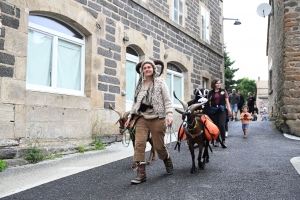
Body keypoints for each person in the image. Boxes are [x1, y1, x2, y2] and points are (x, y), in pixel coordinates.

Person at [124, 60, 173, 184]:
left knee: (158, 146)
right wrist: (130, 118)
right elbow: (135, 103)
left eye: (149, 67)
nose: (147, 69)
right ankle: (141, 173)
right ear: (142, 71)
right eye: (144, 68)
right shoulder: (139, 85)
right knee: (139, 144)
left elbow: (167, 100)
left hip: (157, 117)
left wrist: (169, 115)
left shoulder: (160, 83)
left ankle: (166, 158)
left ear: (153, 69)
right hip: (141, 117)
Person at [208, 79, 232, 148]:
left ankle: (223, 141)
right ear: (214, 84)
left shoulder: (223, 91)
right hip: (214, 110)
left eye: (219, 83)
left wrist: (229, 110)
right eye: (217, 83)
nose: (219, 84)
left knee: (222, 124)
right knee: (216, 126)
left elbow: (227, 101)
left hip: (222, 109)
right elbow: (208, 102)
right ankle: (217, 140)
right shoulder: (210, 93)